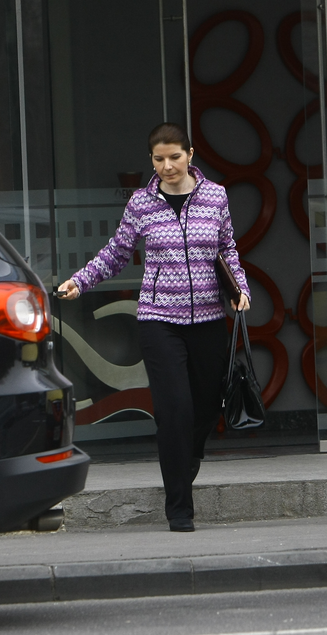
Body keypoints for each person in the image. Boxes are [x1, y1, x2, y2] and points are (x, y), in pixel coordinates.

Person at [56, 122, 251, 533]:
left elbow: (227, 249)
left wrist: (240, 289)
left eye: (175, 157)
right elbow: (116, 253)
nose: (167, 166)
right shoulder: (141, 204)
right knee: (174, 411)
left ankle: (185, 460)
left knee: (205, 408)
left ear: (190, 155)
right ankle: (179, 508)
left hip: (209, 320)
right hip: (159, 321)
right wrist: (80, 281)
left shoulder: (215, 196)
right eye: (159, 159)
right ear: (152, 160)